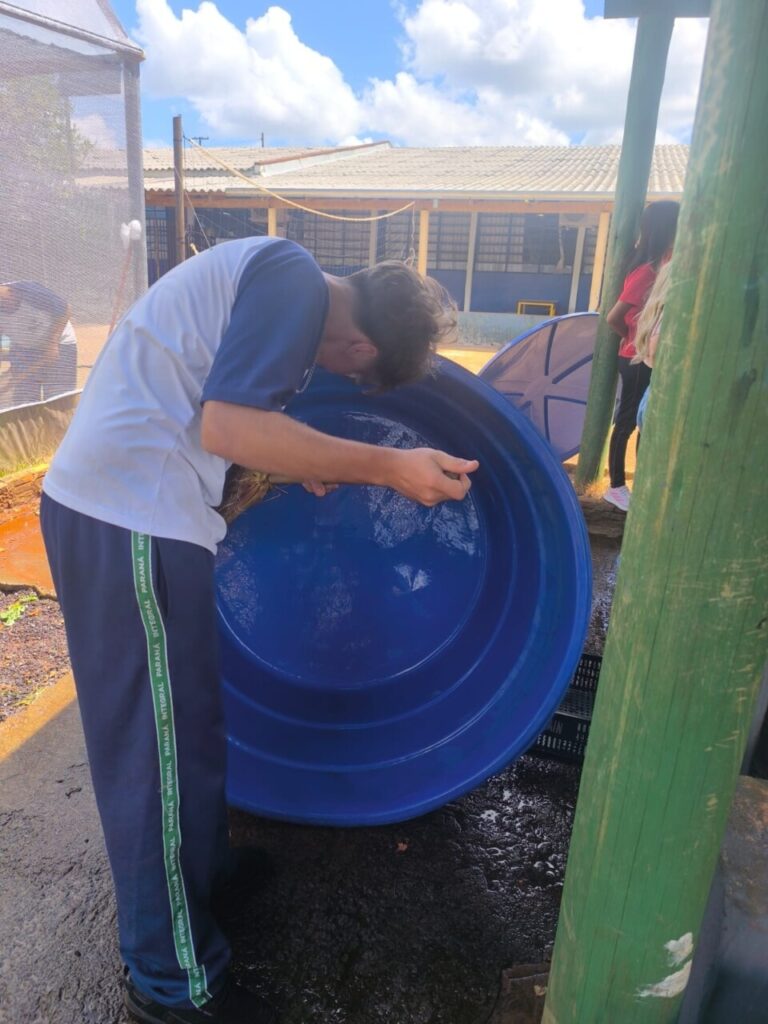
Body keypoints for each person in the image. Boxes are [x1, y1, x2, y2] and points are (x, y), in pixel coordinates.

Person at [39, 236, 479, 1024]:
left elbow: (215, 415)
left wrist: (297, 459)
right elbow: (232, 428)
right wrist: (388, 466)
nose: (339, 377)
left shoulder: (274, 275)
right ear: (362, 345)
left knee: (191, 726)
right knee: (155, 753)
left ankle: (202, 875)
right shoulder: (294, 282)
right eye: (354, 374)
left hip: (135, 507)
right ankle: (173, 984)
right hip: (126, 513)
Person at [602, 200, 679, 512]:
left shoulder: (661, 265)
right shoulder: (647, 271)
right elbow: (613, 317)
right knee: (627, 421)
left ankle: (638, 483)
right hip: (635, 358)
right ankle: (617, 486)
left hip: (645, 356)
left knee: (643, 420)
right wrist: (632, 339)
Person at [0, 280, 77, 406]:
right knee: (24, 400)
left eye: (4, 302)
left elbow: (66, 309)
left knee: (58, 398)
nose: (4, 307)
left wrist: (52, 344)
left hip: (59, 343)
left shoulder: (31, 292)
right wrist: (3, 352)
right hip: (24, 348)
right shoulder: (3, 304)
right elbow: (2, 334)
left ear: (11, 293)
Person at [633, 259, 672, 433]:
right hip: (660, 397)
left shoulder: (655, 315)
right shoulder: (669, 319)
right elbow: (655, 352)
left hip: (652, 393)